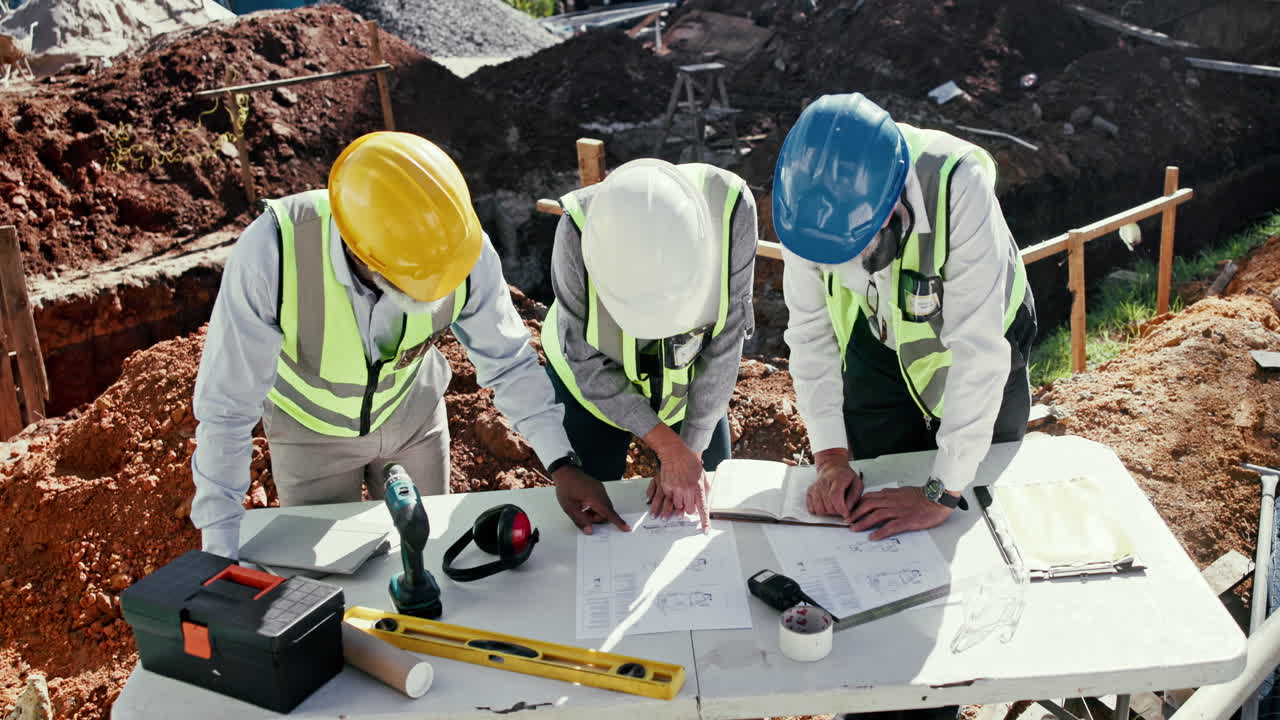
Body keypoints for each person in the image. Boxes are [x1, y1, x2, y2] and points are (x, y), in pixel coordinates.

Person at [189, 131, 623, 560]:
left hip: (413, 420)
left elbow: (509, 362)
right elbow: (227, 406)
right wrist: (219, 543)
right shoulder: (275, 252)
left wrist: (561, 463)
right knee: (323, 577)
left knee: (426, 555)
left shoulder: (459, 249)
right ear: (362, 253)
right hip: (310, 436)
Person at [774, 92, 1037, 544]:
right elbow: (810, 333)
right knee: (883, 482)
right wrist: (831, 457)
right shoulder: (802, 207)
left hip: (986, 329)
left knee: (979, 498)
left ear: (892, 209)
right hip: (875, 334)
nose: (845, 268)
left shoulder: (958, 183)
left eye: (858, 249)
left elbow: (977, 351)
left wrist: (940, 493)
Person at [540, 158, 758, 529]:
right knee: (595, 510)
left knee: (710, 497)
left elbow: (726, 337)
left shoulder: (731, 210)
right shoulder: (577, 229)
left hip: (688, 384)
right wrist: (669, 448)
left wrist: (690, 449)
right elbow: (586, 362)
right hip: (590, 391)